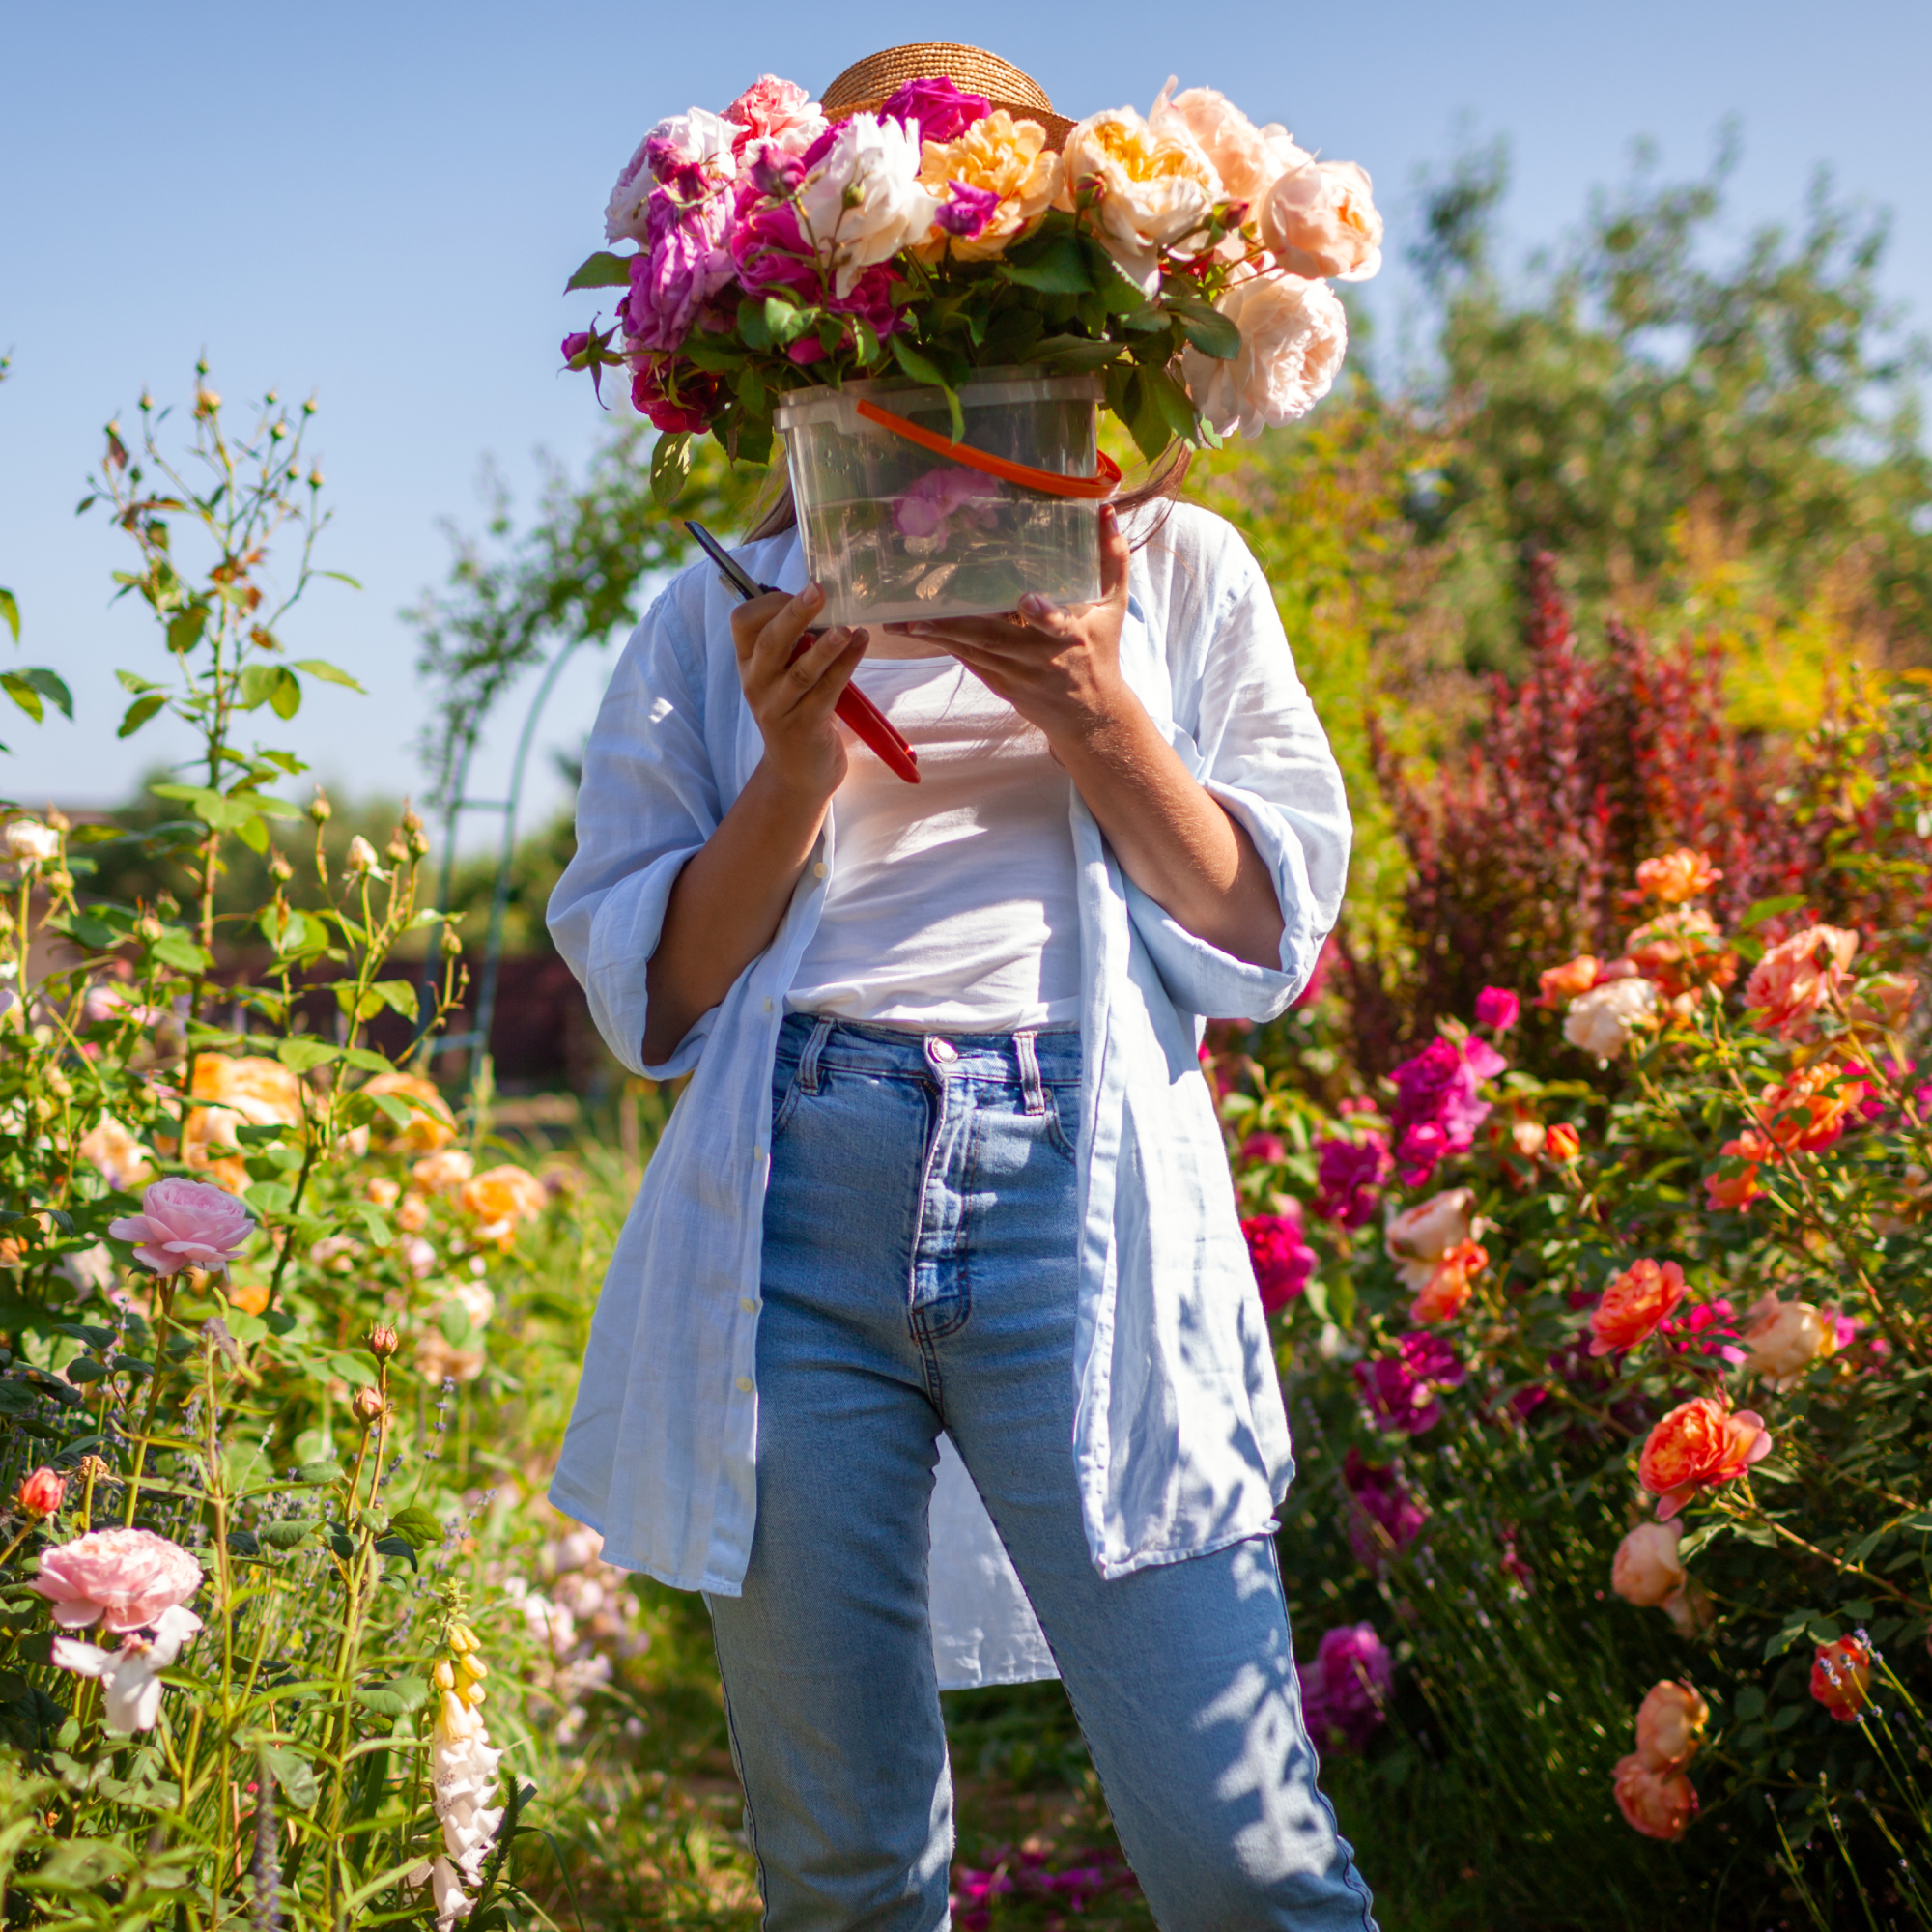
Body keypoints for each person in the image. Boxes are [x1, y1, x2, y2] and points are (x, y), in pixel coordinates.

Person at [547, 67, 1375, 1932]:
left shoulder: (1179, 575)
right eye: (894, 345)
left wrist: (1089, 697)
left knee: (1248, 1857)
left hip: (1074, 1196)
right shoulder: (728, 595)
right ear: (816, 350)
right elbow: (659, 1004)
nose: (935, 392)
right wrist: (788, 767)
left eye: (984, 338)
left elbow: (1262, 931)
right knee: (846, 1877)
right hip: (799, 1210)